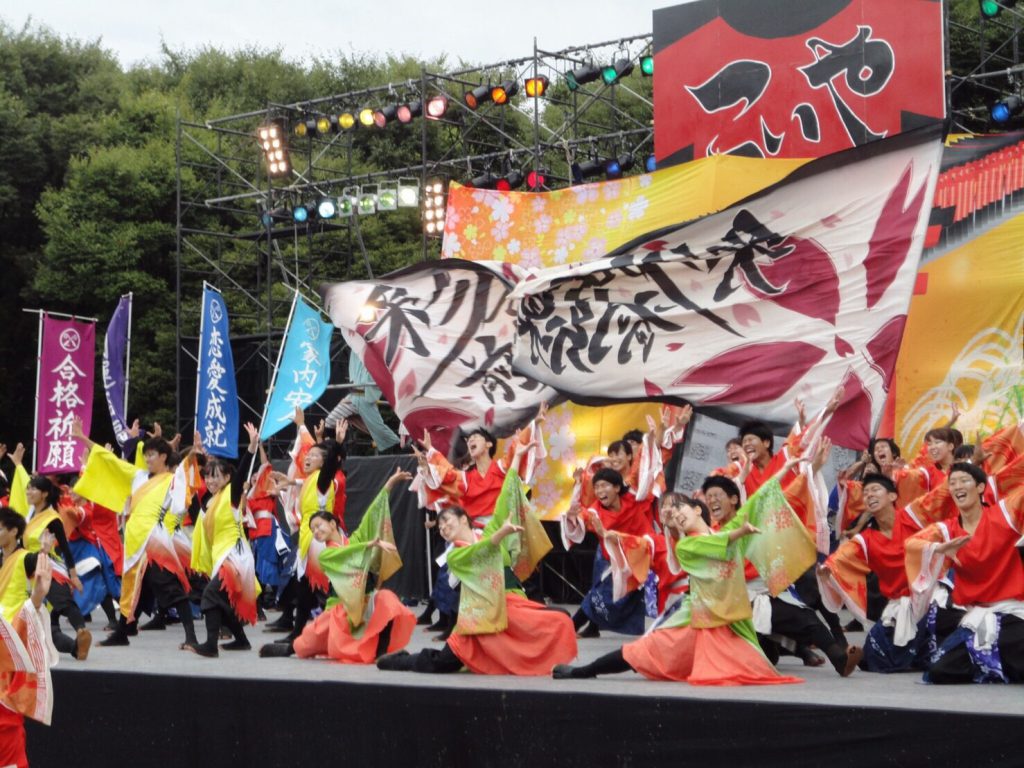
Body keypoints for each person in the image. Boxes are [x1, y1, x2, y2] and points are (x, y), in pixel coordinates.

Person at [553, 486, 811, 685]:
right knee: (643, 652)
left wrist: (792, 469)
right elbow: (641, 544)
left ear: (697, 509)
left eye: (678, 508)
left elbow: (757, 502)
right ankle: (585, 670)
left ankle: (798, 650)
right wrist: (610, 535)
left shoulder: (720, 532)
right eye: (670, 512)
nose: (674, 513)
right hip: (693, 614)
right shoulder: (686, 544)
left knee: (754, 659)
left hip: (723, 619)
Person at [377, 469, 576, 675]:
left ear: (464, 519)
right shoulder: (455, 556)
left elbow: (504, 503)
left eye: (446, 521)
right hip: (477, 618)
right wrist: (501, 534)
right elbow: (480, 552)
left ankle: (548, 664)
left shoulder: (487, 534)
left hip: (509, 605)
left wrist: (516, 459)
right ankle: (401, 661)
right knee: (443, 663)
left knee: (560, 618)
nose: (443, 527)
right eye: (440, 526)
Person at [260, 468, 416, 662]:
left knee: (388, 601)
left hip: (364, 602)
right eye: (313, 530)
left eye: (319, 526)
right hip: (341, 608)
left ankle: (381, 653)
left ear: (333, 524)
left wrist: (389, 484)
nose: (316, 532)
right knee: (308, 642)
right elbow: (345, 554)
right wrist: (370, 545)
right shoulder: (327, 554)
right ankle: (288, 649)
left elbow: (372, 513)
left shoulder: (355, 540)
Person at [71, 416, 198, 650]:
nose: (148, 459)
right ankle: (122, 632)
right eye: (146, 455)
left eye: (152, 455)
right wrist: (82, 438)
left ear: (163, 457)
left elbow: (182, 503)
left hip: (154, 541)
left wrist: (191, 458)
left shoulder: (172, 481)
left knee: (170, 587)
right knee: (130, 587)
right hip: (134, 539)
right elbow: (108, 460)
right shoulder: (138, 476)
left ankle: (191, 636)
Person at [818, 473, 961, 673]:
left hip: (933, 593)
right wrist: (828, 569)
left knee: (940, 625)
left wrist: (962, 471)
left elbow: (939, 495)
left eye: (875, 490)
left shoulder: (913, 515)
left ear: (893, 496)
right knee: (874, 651)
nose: (869, 495)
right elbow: (840, 558)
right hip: (901, 603)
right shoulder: (865, 540)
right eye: (866, 493)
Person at [905, 462, 1024, 683]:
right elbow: (912, 544)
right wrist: (937, 548)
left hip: (1012, 611)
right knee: (938, 671)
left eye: (964, 480)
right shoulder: (947, 530)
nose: (957, 486)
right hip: (976, 615)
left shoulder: (1005, 514)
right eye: (952, 483)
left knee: (1013, 644)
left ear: (980, 487)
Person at [7, 444, 90, 661]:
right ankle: (76, 648)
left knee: (61, 601)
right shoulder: (29, 515)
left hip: (47, 565)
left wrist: (73, 575)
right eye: (28, 489)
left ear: (44, 494)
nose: (28, 492)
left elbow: (65, 548)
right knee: (45, 628)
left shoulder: (52, 519)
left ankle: (82, 631)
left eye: (33, 489)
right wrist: (18, 464)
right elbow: (22, 483)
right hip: (27, 568)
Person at [188, 423, 263, 657]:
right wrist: (197, 455)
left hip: (235, 557)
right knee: (222, 601)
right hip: (222, 556)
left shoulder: (231, 494)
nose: (210, 481)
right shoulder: (210, 501)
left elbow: (240, 475)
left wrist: (251, 448)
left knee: (210, 596)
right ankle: (242, 641)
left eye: (216, 477)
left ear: (228, 478)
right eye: (208, 477)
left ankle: (210, 645)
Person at [0, 508, 58, 768]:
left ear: (13, 531)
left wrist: (36, 598)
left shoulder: (23, 558)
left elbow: (41, 571)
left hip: (13, 632)